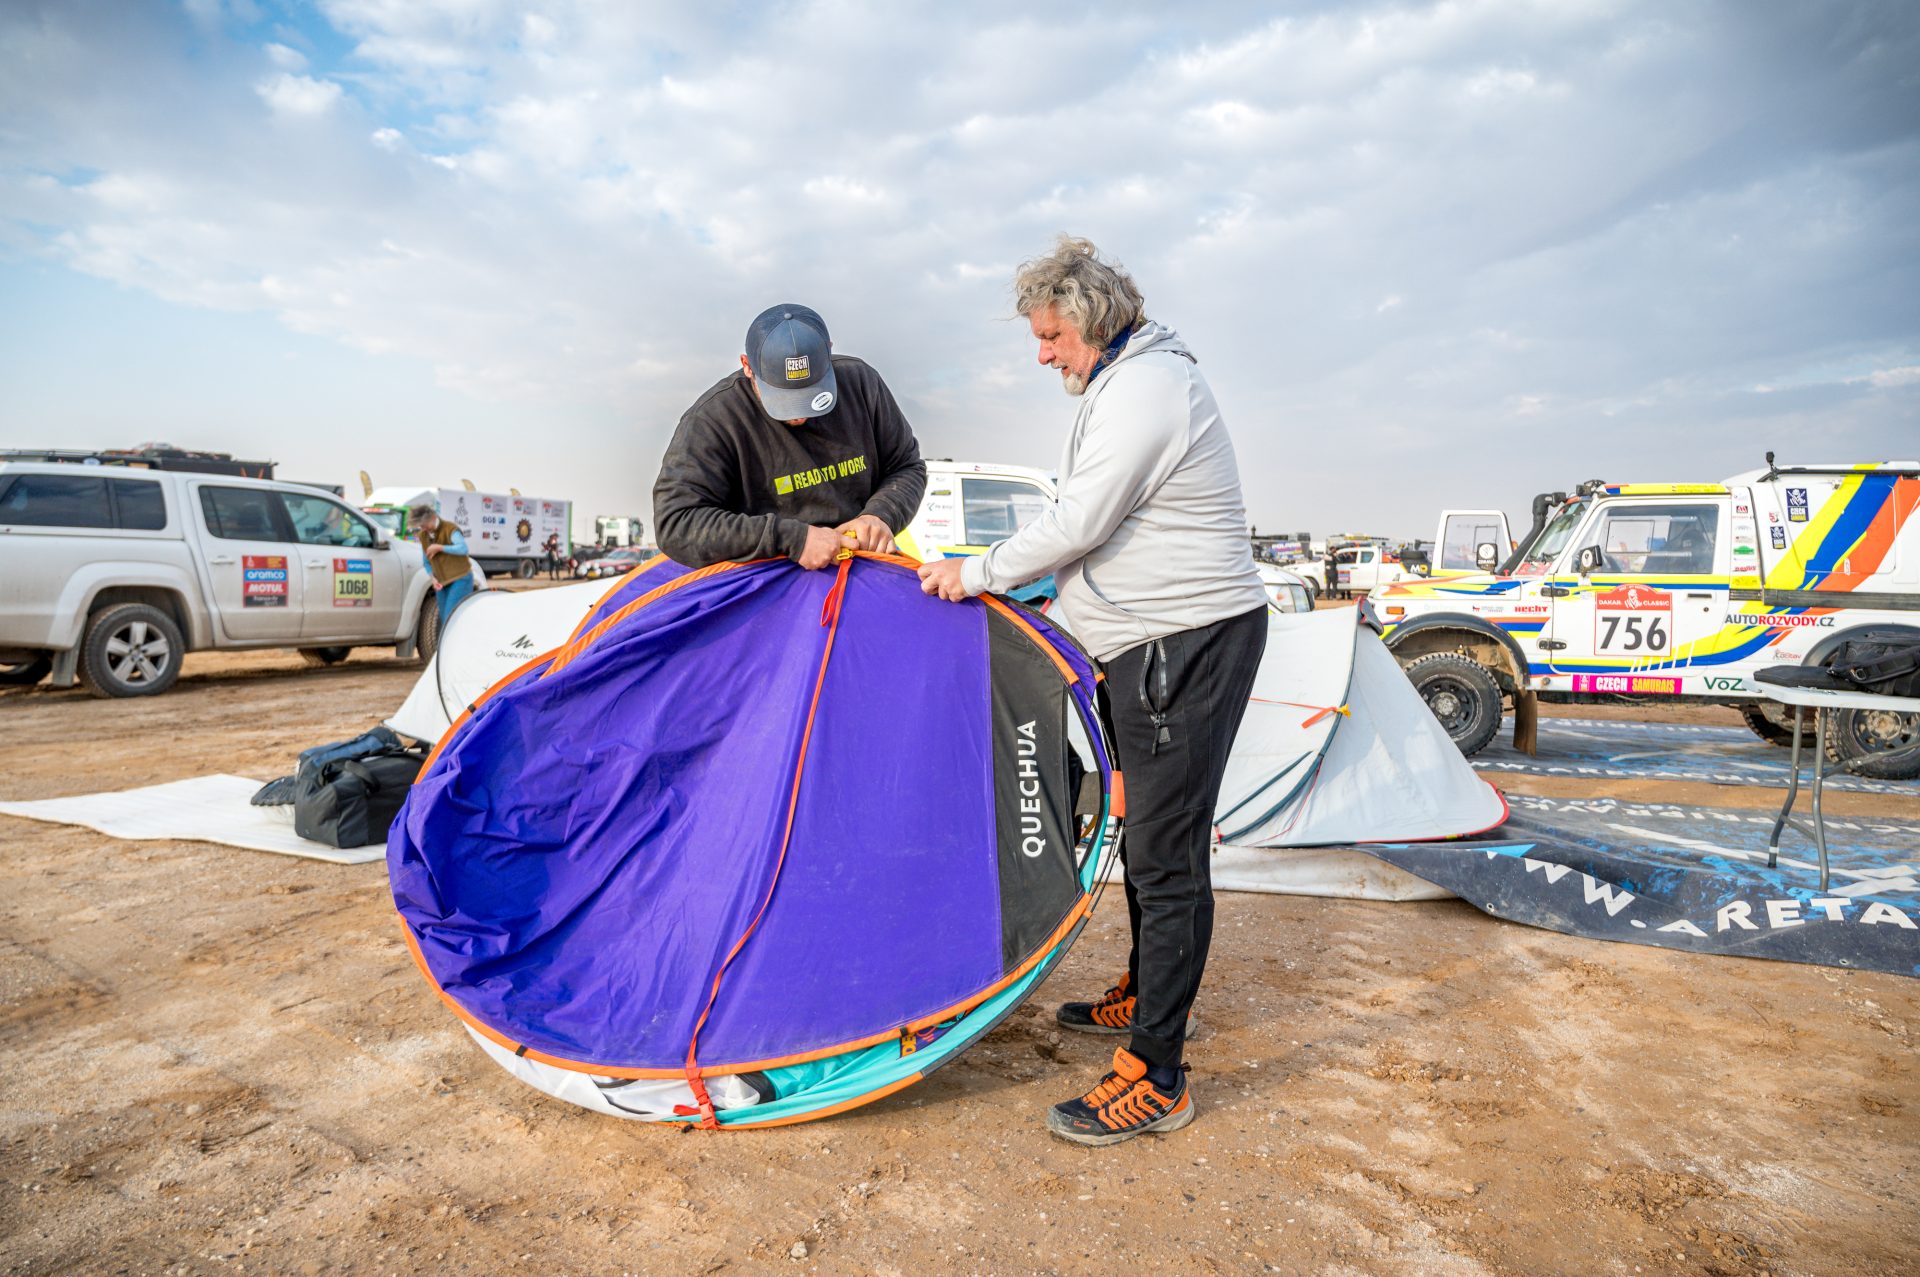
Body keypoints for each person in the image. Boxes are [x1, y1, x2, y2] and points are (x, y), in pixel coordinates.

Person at [918, 237, 1268, 1147]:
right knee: (1146, 834)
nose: (1042, 355)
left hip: (1185, 642)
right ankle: (1147, 993)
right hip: (1150, 641)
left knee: (1165, 854)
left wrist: (974, 573)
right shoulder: (1126, 380)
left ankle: (1157, 1073)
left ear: (1093, 319)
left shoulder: (1148, 388)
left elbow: (1080, 519)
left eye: (1050, 336)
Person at [653, 304, 926, 570]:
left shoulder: (862, 384)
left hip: (860, 564)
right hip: (764, 574)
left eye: (810, 393)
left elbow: (906, 466)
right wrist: (792, 539)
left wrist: (879, 515)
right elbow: (677, 524)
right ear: (747, 366)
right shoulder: (714, 419)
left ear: (828, 353)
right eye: (783, 397)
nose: (799, 415)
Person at [412, 501, 475, 630]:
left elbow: (463, 548)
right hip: (441, 582)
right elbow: (426, 562)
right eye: (421, 526)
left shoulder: (450, 529)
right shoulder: (423, 536)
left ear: (433, 517)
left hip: (460, 578)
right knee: (444, 619)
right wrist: (433, 578)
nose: (423, 529)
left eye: (425, 525)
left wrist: (440, 547)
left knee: (450, 618)